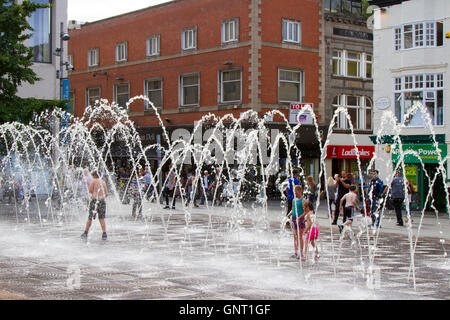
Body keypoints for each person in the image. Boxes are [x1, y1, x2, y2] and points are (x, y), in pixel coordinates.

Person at [81, 171, 108, 240]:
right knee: (102, 218)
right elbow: (106, 194)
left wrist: (95, 192)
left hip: (94, 201)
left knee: (90, 217)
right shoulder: (103, 182)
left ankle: (86, 232)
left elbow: (90, 190)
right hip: (102, 201)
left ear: (94, 176)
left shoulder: (94, 181)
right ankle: (104, 233)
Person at [288, 185, 306, 260]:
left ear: (300, 191)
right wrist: (288, 215)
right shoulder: (294, 200)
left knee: (300, 236)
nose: (295, 193)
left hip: (300, 219)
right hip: (294, 219)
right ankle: (296, 252)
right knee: (295, 236)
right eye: (294, 192)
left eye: (296, 192)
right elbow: (293, 209)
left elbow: (306, 212)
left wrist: (300, 217)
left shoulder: (303, 200)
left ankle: (301, 253)